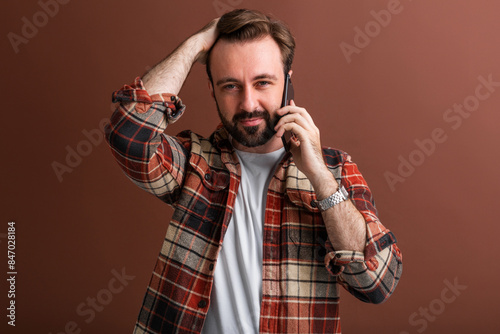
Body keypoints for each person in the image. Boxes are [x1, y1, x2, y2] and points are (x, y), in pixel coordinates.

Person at [105, 8, 402, 334]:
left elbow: (377, 283)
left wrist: (320, 177)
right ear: (212, 91)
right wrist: (194, 47)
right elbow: (128, 135)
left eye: (263, 82)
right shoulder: (195, 163)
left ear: (288, 82)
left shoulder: (334, 171)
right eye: (230, 86)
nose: (248, 103)